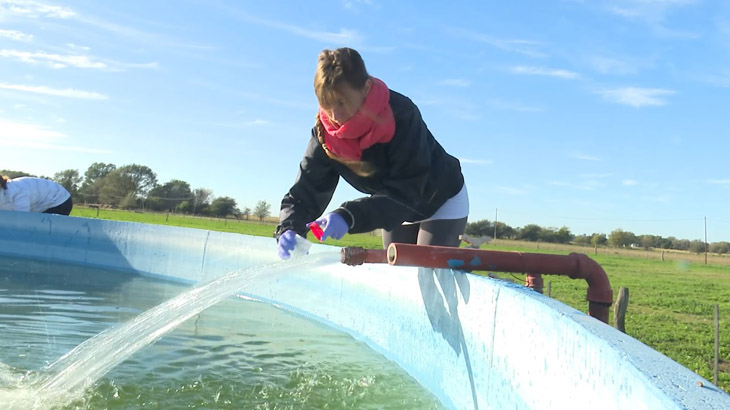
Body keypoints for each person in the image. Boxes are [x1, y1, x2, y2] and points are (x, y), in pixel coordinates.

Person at [275, 47, 469, 259]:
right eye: (326, 103)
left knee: (426, 273)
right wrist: (289, 227)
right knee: (397, 278)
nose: (334, 116)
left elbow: (407, 190)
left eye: (341, 102)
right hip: (391, 207)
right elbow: (307, 190)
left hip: (440, 199)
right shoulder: (324, 134)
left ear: (366, 88)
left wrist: (349, 216)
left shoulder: (402, 115)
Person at [0, 175, 73, 215]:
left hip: (59, 201)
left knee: (43, 234)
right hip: (42, 202)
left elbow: (22, 219)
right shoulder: (5, 193)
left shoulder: (17, 193)